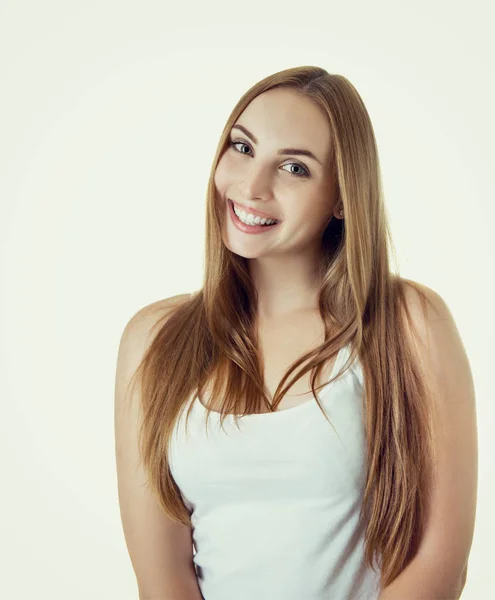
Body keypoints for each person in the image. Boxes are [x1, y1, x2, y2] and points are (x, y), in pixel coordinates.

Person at [114, 66, 477, 600]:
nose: (252, 187)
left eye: (294, 167)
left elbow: (439, 563)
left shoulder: (409, 324)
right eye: (241, 148)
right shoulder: (153, 340)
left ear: (342, 196)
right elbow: (161, 578)